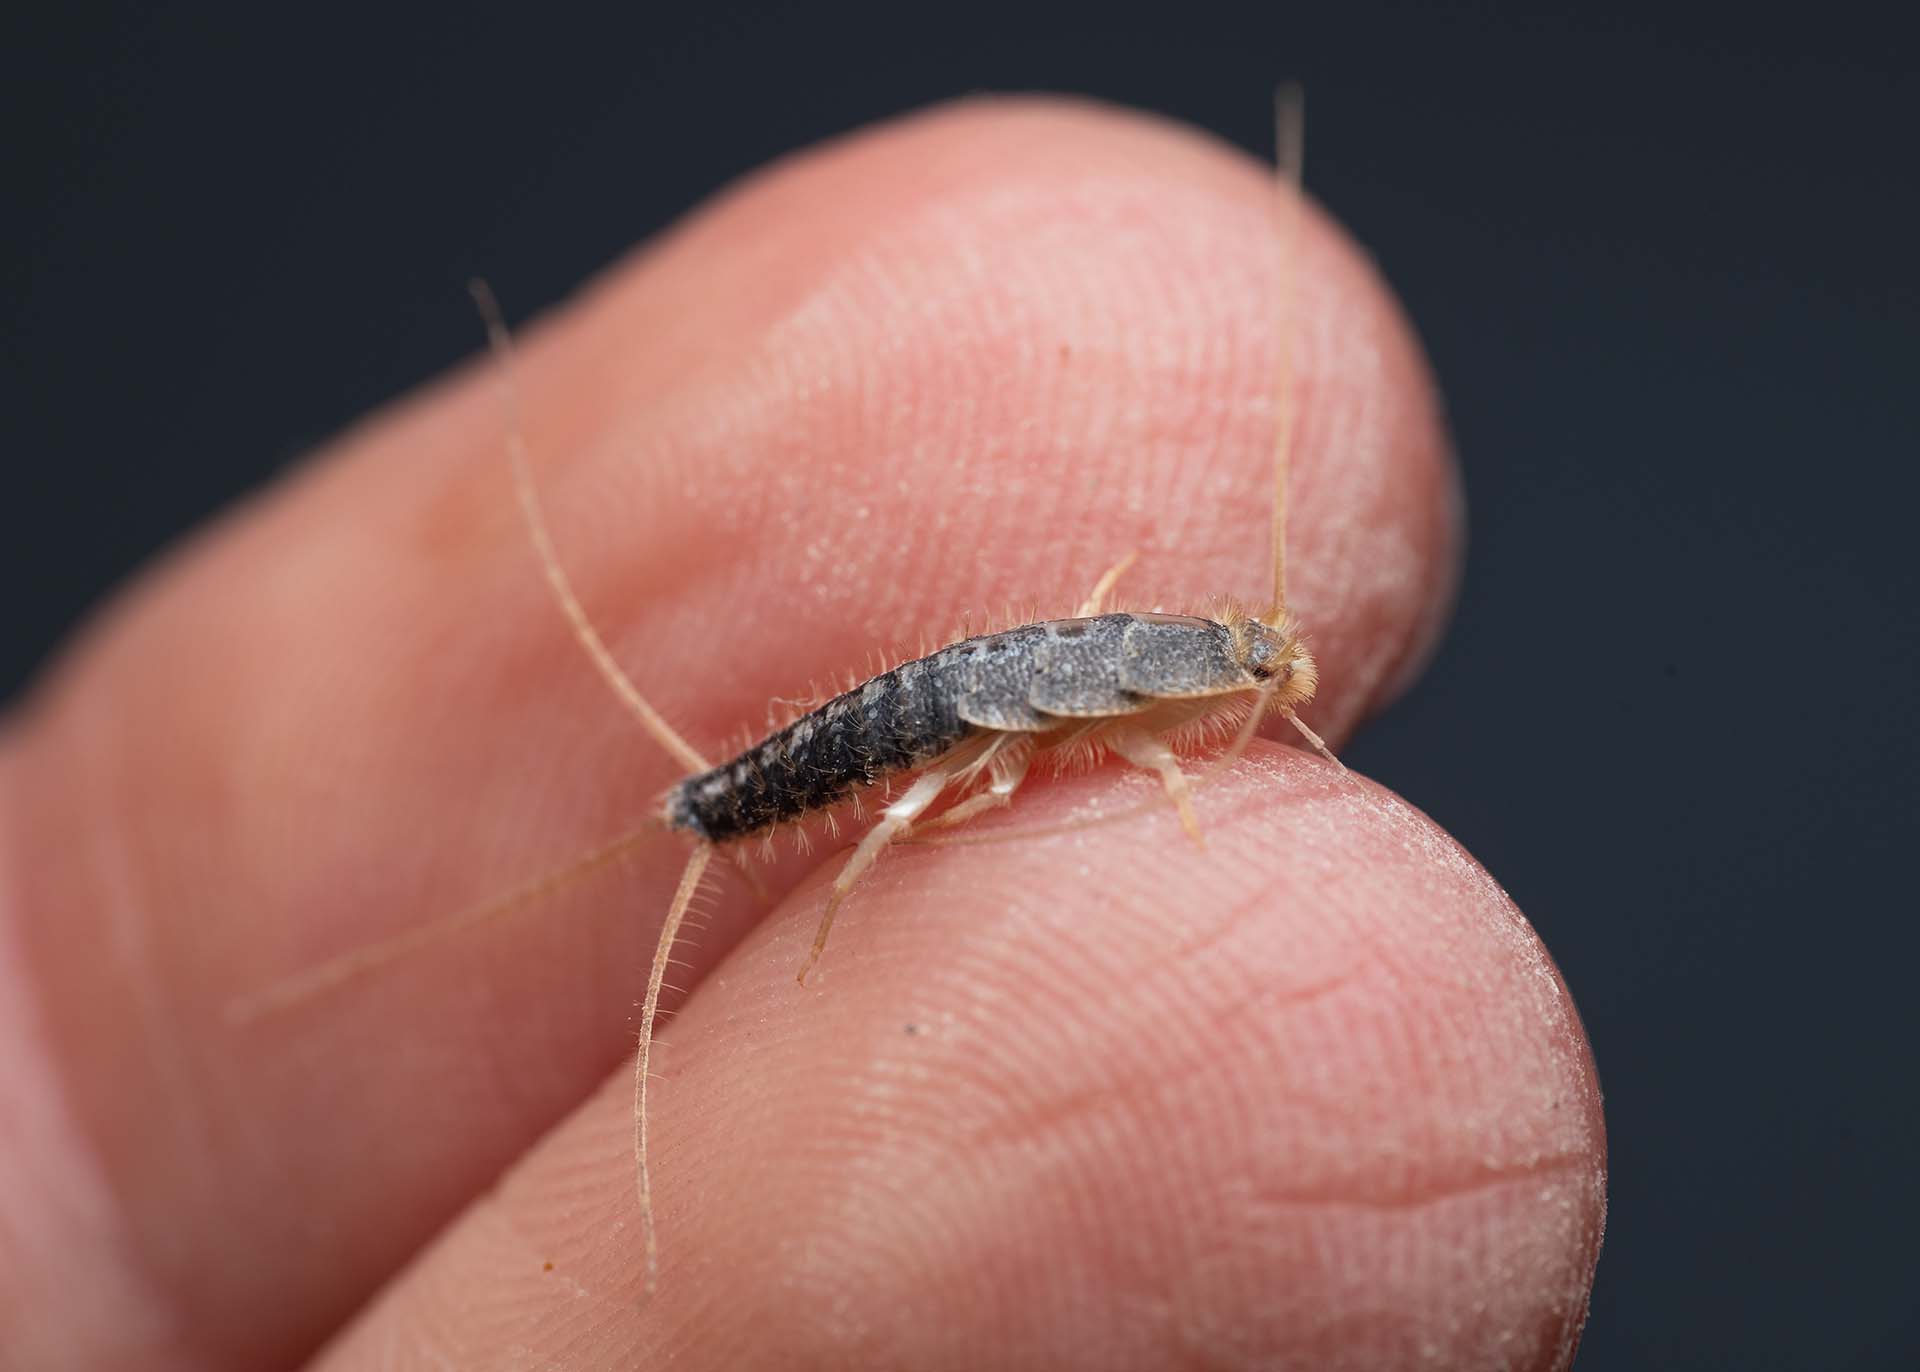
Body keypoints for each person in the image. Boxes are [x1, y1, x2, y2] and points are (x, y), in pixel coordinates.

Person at [0, 98, 1605, 1370]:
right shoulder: (1156, 695)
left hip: (957, 700)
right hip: (929, 721)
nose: (1266, 672)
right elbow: (1097, 695)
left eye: (1255, 666)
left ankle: (715, 821)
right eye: (1256, 666)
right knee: (868, 810)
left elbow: (1110, 675)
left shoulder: (1175, 672)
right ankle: (713, 820)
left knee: (906, 786)